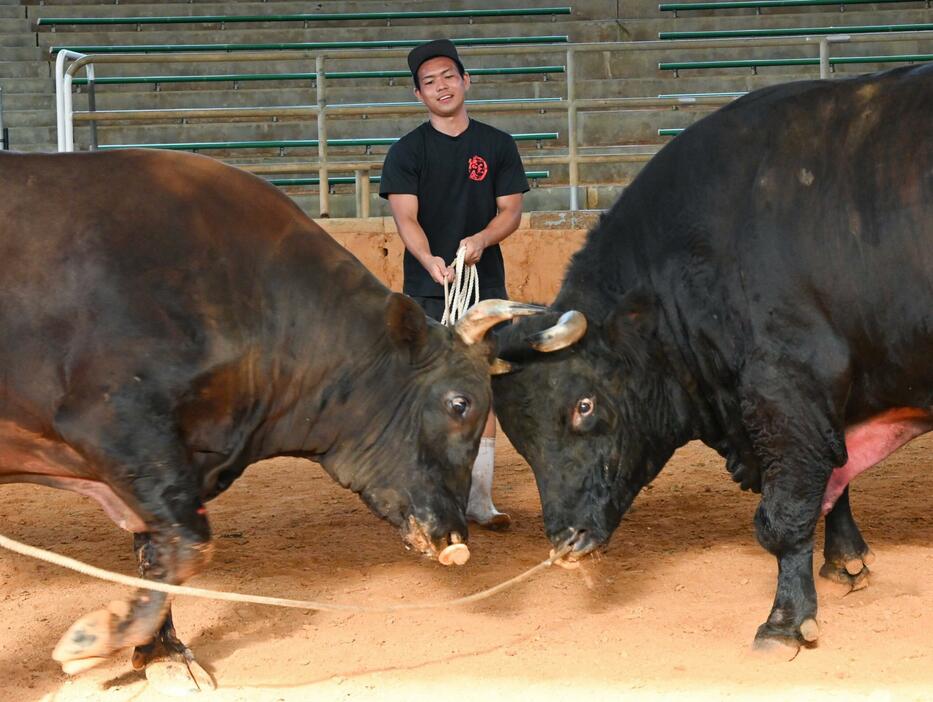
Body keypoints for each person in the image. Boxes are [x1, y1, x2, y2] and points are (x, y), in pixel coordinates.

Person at [379, 38, 528, 530]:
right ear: (417, 95)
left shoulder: (496, 145)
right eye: (429, 82)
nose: (440, 86)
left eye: (448, 76)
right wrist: (429, 260)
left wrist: (482, 239)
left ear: (466, 81)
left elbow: (510, 211)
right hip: (428, 289)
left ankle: (479, 499)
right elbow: (407, 219)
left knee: (481, 386)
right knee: (430, 390)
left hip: (482, 286)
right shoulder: (406, 152)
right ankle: (429, 496)